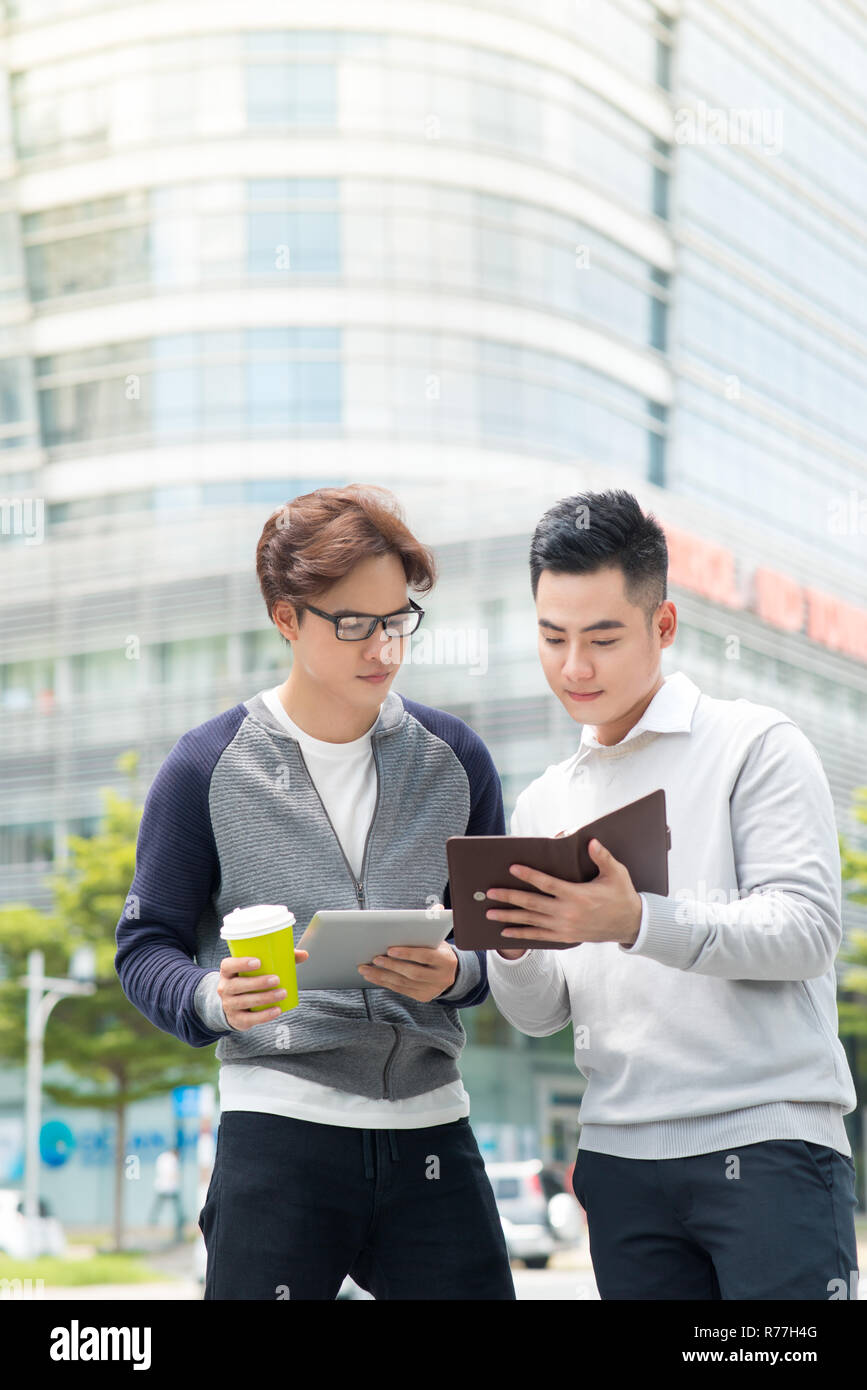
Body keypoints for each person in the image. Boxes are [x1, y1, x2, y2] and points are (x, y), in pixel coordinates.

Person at [114, 483, 514, 1301]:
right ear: (287, 618)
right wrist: (211, 998)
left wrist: (458, 974)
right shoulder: (205, 766)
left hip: (433, 1125)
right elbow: (144, 944)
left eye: (397, 620)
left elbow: (498, 934)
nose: (384, 649)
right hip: (278, 1126)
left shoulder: (456, 757)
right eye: (354, 625)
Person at [485, 487, 859, 1301]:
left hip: (767, 1149)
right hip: (619, 1163)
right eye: (552, 638)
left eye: (601, 638)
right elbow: (539, 1012)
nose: (573, 667)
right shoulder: (545, 799)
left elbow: (804, 931)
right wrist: (509, 944)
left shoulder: (754, 745)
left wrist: (638, 921)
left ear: (663, 627)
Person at [148, 1146, 184, 1243]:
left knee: (158, 1207)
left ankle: (152, 1222)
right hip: (170, 1187)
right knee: (177, 1209)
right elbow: (173, 1174)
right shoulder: (172, 1159)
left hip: (161, 1186)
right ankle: (180, 1222)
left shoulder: (162, 1157)